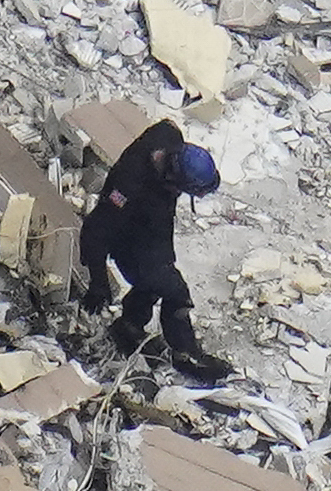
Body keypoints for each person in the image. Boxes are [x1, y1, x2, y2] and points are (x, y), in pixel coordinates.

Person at [76, 119, 233, 382]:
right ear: (173, 177)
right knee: (175, 291)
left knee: (157, 278)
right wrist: (98, 282)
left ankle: (129, 326)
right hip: (129, 240)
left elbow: (165, 127)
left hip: (154, 228)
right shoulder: (127, 188)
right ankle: (186, 354)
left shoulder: (168, 136)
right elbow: (96, 230)